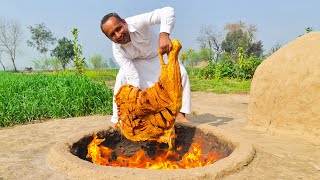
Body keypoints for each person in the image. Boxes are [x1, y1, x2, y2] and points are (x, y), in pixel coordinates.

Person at [100, 6, 191, 123]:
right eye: (112, 35)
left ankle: (180, 115)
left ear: (124, 22)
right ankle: (120, 120)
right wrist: (136, 97)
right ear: (108, 38)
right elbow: (132, 75)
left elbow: (168, 11)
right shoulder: (117, 50)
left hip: (158, 57)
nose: (118, 35)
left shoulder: (137, 22)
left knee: (181, 73)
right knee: (121, 77)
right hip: (137, 64)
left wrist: (164, 34)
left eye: (118, 29)